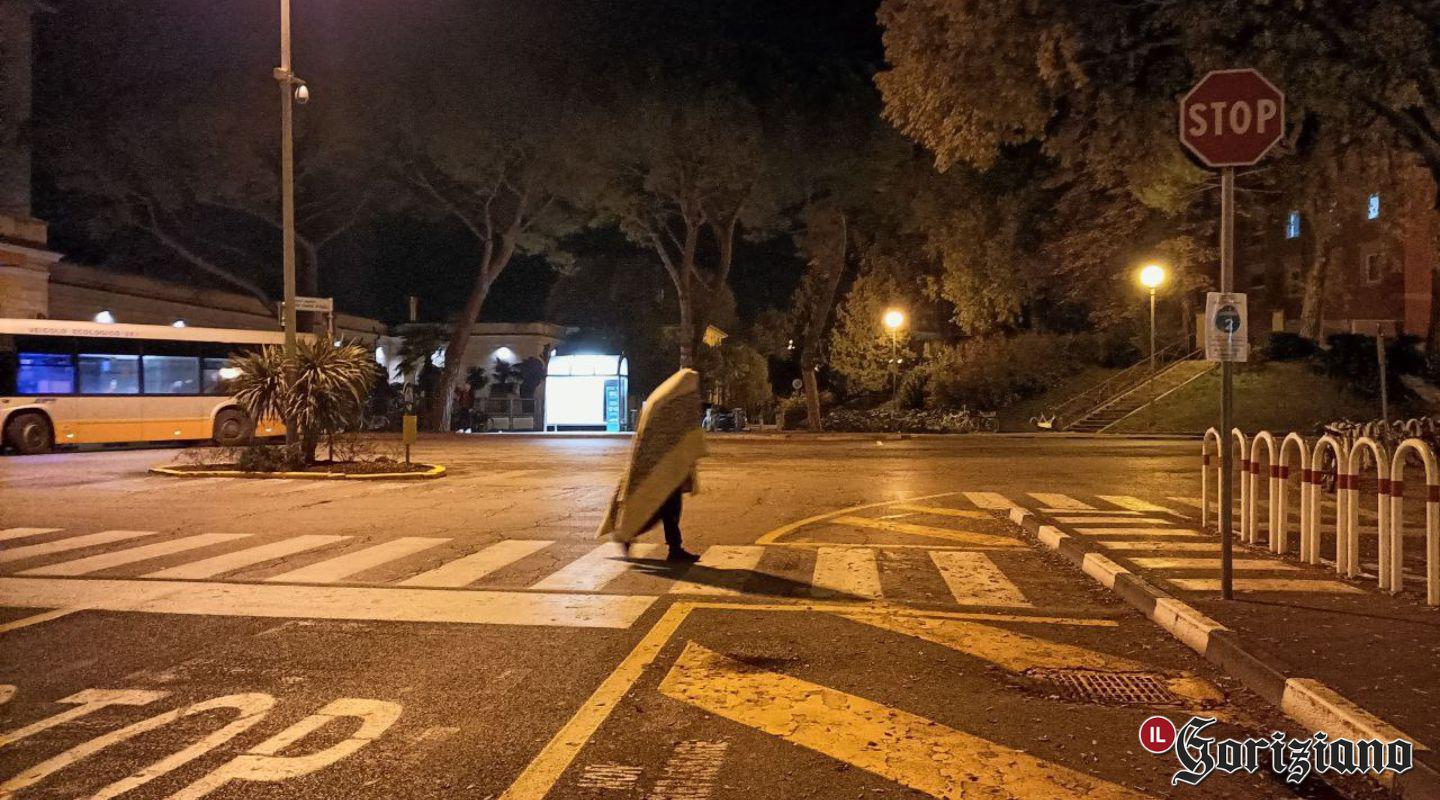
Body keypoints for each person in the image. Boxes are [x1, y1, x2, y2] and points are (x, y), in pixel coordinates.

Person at [596, 369, 706, 562]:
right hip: (663, 467)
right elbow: (685, 432)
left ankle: (668, 545)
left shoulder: (661, 400)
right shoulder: (675, 405)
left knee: (661, 506)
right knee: (661, 507)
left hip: (661, 465)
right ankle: (634, 535)